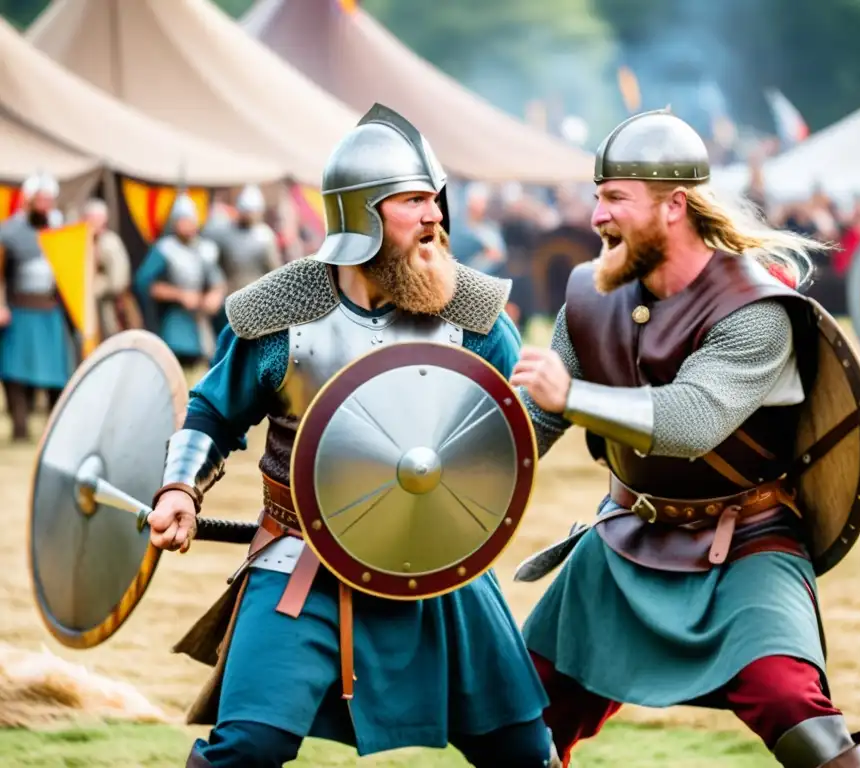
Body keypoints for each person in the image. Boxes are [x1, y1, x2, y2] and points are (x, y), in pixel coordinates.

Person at [145, 104, 558, 768]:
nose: (435, 217)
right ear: (362, 213)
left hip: (439, 566)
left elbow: (521, 420)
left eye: (436, 199)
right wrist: (178, 488)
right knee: (246, 749)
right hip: (301, 563)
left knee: (524, 753)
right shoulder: (282, 314)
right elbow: (214, 412)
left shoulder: (472, 311)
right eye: (415, 200)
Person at [510, 109, 860, 767]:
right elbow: (528, 429)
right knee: (523, 715)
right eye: (597, 197)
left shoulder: (756, 310)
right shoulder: (591, 298)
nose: (596, 217)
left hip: (745, 544)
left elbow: (687, 422)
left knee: (796, 712)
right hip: (625, 539)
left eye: (615, 198)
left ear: (674, 205)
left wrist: (572, 395)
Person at [0, 172, 76, 441]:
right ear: (28, 201)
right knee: (15, 373)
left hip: (51, 310)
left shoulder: (62, 230)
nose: (45, 205)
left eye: (49, 200)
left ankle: (57, 433)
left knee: (58, 373)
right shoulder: (8, 232)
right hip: (20, 309)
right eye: (40, 200)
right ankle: (20, 429)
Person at [133, 195, 226, 370]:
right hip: (174, 320)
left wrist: (214, 296)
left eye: (190, 219)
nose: (187, 224)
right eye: (183, 220)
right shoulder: (164, 249)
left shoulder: (206, 249)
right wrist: (179, 295)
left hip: (201, 322)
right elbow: (145, 283)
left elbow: (217, 281)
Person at [203, 183, 283, 336]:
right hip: (227, 297)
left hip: (256, 300)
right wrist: (216, 287)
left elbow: (274, 272)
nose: (248, 214)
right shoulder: (223, 232)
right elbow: (212, 263)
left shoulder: (265, 237)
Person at [82, 198, 140, 338]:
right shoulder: (84, 242)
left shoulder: (110, 242)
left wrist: (96, 287)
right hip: (89, 308)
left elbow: (117, 282)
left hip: (110, 306)